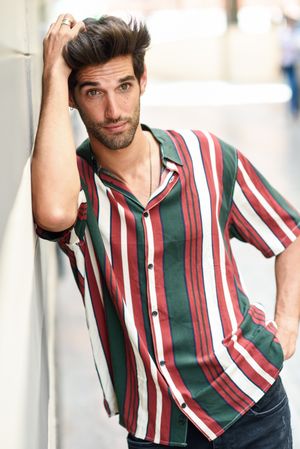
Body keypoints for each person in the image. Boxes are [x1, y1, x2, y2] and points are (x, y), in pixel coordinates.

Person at [31, 13, 300, 449]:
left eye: (123, 86)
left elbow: (288, 231)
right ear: (71, 99)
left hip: (251, 407)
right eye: (92, 92)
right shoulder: (75, 184)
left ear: (142, 81)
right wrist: (52, 75)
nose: (113, 110)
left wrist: (286, 328)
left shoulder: (207, 156)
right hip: (158, 429)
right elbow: (55, 213)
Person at [279, 6, 300, 116]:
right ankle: (293, 108)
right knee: (292, 85)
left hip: (296, 63)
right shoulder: (283, 32)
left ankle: (295, 106)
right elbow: (281, 49)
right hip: (287, 63)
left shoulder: (297, 32)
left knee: (295, 86)